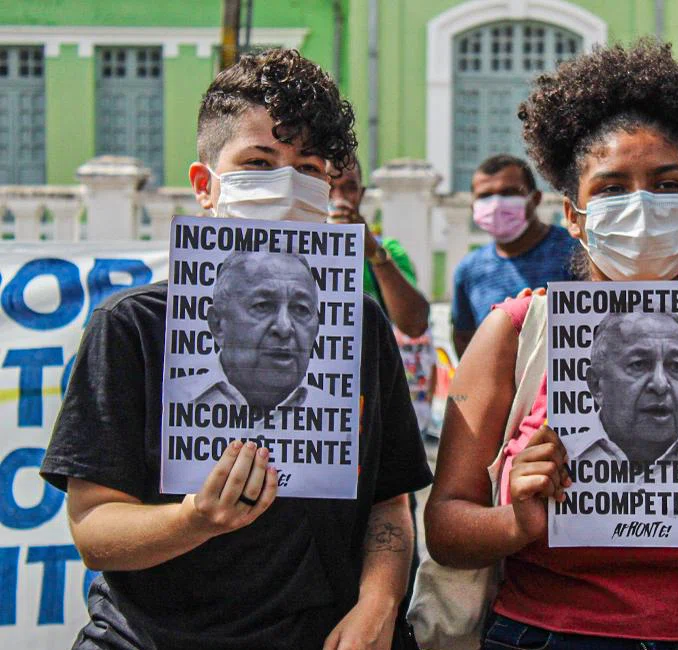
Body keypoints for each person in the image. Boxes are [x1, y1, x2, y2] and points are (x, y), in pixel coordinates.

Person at [425, 40, 678, 648]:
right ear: (573, 212)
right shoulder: (513, 332)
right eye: (612, 188)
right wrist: (518, 519)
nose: (642, 206)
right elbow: (444, 526)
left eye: (667, 184)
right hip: (545, 633)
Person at [40, 48, 431, 650]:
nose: (287, 185)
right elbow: (93, 527)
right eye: (259, 161)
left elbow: (390, 504)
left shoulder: (362, 324)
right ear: (205, 185)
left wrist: (378, 605)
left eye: (309, 168)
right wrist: (194, 518)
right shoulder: (133, 327)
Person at [450, 154, 578, 357]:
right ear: (473, 206)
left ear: (535, 199)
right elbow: (464, 338)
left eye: (509, 193)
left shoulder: (575, 253)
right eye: (485, 196)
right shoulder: (469, 269)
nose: (496, 204)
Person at [169, 251, 324, 410]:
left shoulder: (340, 415)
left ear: (316, 329)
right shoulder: (169, 399)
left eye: (301, 309)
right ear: (218, 324)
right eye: (262, 306)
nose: (284, 328)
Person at [327, 157, 430, 338]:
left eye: (349, 187)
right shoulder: (295, 246)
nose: (339, 197)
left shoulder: (386, 249)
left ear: (361, 193)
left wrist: (373, 252)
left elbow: (415, 325)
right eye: (328, 186)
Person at [579, 311, 678, 465]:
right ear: (596, 384)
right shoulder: (559, 462)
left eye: (676, 366)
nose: (660, 385)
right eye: (638, 364)